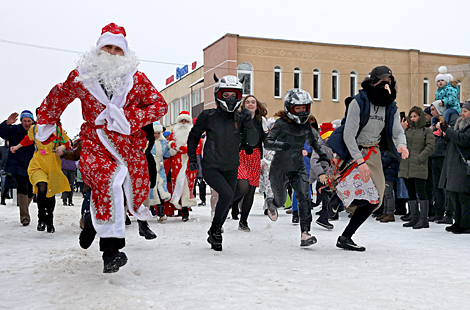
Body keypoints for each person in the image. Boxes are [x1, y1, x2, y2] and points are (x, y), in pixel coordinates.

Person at [34, 23, 167, 273]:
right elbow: (59, 96)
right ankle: (111, 250)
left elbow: (159, 105)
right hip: (94, 141)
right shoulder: (82, 75)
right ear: (98, 48)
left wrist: (129, 119)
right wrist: (47, 121)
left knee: (125, 190)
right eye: (107, 46)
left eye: (118, 49)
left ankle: (91, 226)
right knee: (109, 182)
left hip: (126, 145)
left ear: (125, 53)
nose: (112, 52)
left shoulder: (136, 79)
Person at [327, 65, 408, 251]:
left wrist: (401, 145)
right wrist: (360, 162)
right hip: (353, 152)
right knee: (360, 195)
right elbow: (349, 135)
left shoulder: (391, 106)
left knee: (376, 200)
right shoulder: (359, 102)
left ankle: (344, 234)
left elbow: (397, 131)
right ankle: (336, 198)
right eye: (383, 81)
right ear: (373, 82)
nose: (386, 85)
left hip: (374, 153)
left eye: (390, 82)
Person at [187, 74, 259, 251]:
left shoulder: (242, 117)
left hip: (231, 166)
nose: (230, 98)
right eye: (226, 95)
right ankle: (217, 231)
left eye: (234, 95)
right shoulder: (208, 115)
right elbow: (194, 136)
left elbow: (252, 140)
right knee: (226, 195)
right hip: (211, 166)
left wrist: (247, 121)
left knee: (228, 196)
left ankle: (214, 230)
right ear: (218, 95)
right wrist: (192, 158)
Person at [264, 88, 329, 247]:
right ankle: (272, 203)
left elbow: (315, 142)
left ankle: (305, 234)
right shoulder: (280, 124)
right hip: (280, 168)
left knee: (304, 199)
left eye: (304, 108)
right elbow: (268, 142)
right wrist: (283, 145)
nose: (301, 112)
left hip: (298, 167)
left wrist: (323, 155)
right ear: (289, 108)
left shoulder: (307, 125)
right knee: (280, 201)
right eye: (297, 108)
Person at [11, 119, 71, 233]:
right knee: (42, 187)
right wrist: (16, 147)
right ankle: (41, 219)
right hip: (38, 163)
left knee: (50, 193)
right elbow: (27, 140)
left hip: (53, 165)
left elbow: (67, 143)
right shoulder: (35, 129)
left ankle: (50, 221)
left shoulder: (57, 129)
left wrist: (62, 148)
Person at [230, 95, 267, 232]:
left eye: (253, 102)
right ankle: (230, 202)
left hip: (255, 156)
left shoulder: (261, 120)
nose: (250, 104)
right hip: (239, 155)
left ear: (257, 106)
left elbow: (265, 139)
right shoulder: (237, 118)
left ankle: (243, 221)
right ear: (243, 105)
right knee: (243, 185)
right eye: (248, 102)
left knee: (250, 190)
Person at [398, 107, 435, 229]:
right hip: (406, 166)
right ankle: (414, 217)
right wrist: (401, 131)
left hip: (419, 166)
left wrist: (420, 158)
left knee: (422, 192)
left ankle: (424, 219)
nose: (413, 119)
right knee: (411, 192)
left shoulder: (426, 131)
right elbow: (399, 144)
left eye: (415, 116)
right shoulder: (407, 131)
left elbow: (430, 147)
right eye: (411, 116)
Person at [438, 100, 470, 233]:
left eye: (466, 111)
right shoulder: (459, 125)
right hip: (453, 165)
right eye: (462, 110)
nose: (462, 113)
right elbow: (454, 140)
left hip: (462, 166)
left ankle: (466, 224)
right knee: (454, 196)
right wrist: (445, 134)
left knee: (463, 197)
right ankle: (458, 222)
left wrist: (449, 132)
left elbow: (464, 140)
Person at [0, 111, 35, 225]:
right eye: (24, 121)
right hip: (17, 163)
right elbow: (2, 132)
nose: (27, 123)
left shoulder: (36, 130)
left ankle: (24, 206)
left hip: (33, 164)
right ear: (21, 121)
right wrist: (7, 123)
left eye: (29, 121)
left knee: (31, 190)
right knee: (22, 187)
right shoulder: (14, 129)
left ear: (32, 121)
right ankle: (24, 216)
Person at [167, 111, 202, 222]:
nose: (183, 123)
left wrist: (188, 149)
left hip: (188, 161)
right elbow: (170, 142)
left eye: (186, 121)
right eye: (181, 121)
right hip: (176, 162)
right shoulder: (174, 132)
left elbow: (199, 146)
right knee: (177, 183)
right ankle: (180, 208)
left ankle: (185, 209)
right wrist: (173, 146)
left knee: (187, 185)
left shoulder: (193, 132)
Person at [429, 102, 458, 224]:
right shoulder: (433, 123)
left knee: (447, 187)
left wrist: (442, 130)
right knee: (438, 187)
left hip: (445, 156)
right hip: (435, 156)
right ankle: (439, 212)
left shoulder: (448, 120)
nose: (431, 112)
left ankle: (449, 213)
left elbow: (450, 137)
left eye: (433, 109)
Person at [310, 122, 334, 229]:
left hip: (330, 178)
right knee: (321, 200)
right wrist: (320, 174)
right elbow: (314, 161)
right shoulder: (319, 147)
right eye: (328, 136)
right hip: (321, 178)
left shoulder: (332, 147)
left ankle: (324, 218)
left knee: (328, 198)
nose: (330, 138)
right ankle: (321, 217)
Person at [149, 121, 171, 222]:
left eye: (158, 133)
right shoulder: (147, 141)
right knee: (150, 190)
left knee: (160, 189)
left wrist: (172, 149)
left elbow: (167, 154)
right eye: (155, 133)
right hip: (149, 168)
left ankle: (161, 214)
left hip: (160, 169)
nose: (156, 135)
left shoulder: (163, 142)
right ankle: (147, 212)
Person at [377, 151, 400, 222]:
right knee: (385, 194)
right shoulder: (386, 152)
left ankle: (390, 213)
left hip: (389, 175)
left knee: (388, 194)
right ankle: (385, 212)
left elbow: (384, 162)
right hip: (386, 174)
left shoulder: (389, 152)